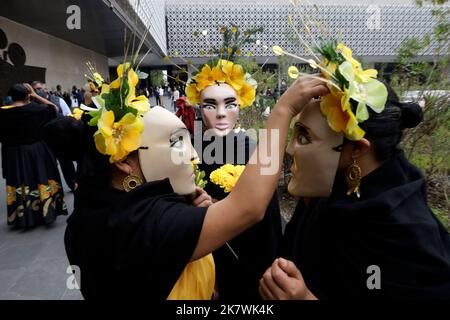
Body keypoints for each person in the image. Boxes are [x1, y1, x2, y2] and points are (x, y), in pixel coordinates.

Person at [44, 62, 327, 300]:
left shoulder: (98, 206)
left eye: (230, 103)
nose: (192, 153)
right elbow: (249, 208)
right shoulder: (141, 223)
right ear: (123, 162)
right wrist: (282, 111)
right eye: (177, 142)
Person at [259, 42, 450, 300]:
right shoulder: (329, 186)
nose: (290, 149)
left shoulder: (408, 235)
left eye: (304, 137)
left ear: (358, 149)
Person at [185, 59, 283, 300]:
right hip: (206, 257)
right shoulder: (191, 151)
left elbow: (267, 214)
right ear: (199, 107)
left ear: (241, 104)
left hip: (251, 260)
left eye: (229, 104)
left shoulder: (254, 150)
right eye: (210, 105)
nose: (220, 113)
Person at [0, 84, 67, 229]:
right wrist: (36, 96)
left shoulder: (3, 113)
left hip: (14, 153)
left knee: (21, 182)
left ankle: (24, 215)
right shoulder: (37, 110)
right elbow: (54, 109)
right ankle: (45, 211)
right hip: (37, 150)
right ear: (27, 95)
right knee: (40, 178)